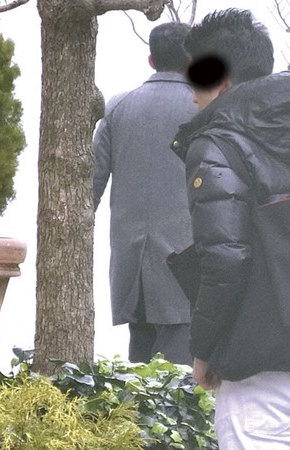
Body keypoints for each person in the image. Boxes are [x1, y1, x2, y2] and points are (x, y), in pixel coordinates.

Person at [171, 8, 290, 448]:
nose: (192, 97)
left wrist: (203, 350)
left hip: (261, 373)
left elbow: (225, 258)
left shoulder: (218, 143)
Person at [93, 22, 197, 365]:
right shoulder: (205, 109)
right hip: (190, 263)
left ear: (151, 60)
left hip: (132, 264)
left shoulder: (118, 107)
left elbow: (89, 188)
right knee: (181, 376)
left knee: (140, 368)